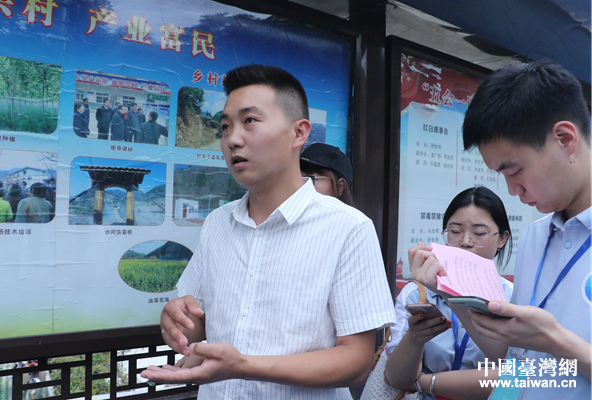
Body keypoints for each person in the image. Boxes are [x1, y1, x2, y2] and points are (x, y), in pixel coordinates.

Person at [141, 64, 396, 399]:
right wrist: (178, 320)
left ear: (299, 133)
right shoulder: (217, 223)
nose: (233, 139)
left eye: (250, 120)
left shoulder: (348, 227)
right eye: (225, 126)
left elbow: (356, 361)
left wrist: (244, 365)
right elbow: (197, 327)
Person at [410, 61, 591, 399]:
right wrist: (447, 288)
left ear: (565, 139)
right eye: (502, 175)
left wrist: (556, 340)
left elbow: (547, 345)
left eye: (515, 171)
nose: (512, 190)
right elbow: (513, 359)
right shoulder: (537, 236)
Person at [379, 187, 513, 400]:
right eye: (455, 231)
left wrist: (424, 382)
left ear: (502, 239)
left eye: (479, 233)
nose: (465, 241)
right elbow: (395, 378)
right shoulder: (418, 293)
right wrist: (415, 338)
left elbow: (518, 376)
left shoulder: (513, 298)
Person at [300, 142, 355, 207]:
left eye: (310, 179)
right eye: (299, 178)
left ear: (340, 187)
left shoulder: (348, 214)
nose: (300, 186)